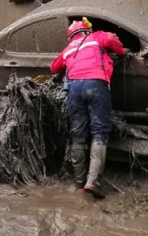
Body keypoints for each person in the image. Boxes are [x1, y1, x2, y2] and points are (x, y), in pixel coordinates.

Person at [50, 17, 125, 198]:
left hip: (74, 89)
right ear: (87, 31)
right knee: (99, 132)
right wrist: (121, 52)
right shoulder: (97, 37)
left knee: (78, 136)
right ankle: (93, 181)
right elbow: (112, 40)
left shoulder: (68, 49)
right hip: (96, 85)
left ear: (71, 36)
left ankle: (79, 184)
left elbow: (53, 68)